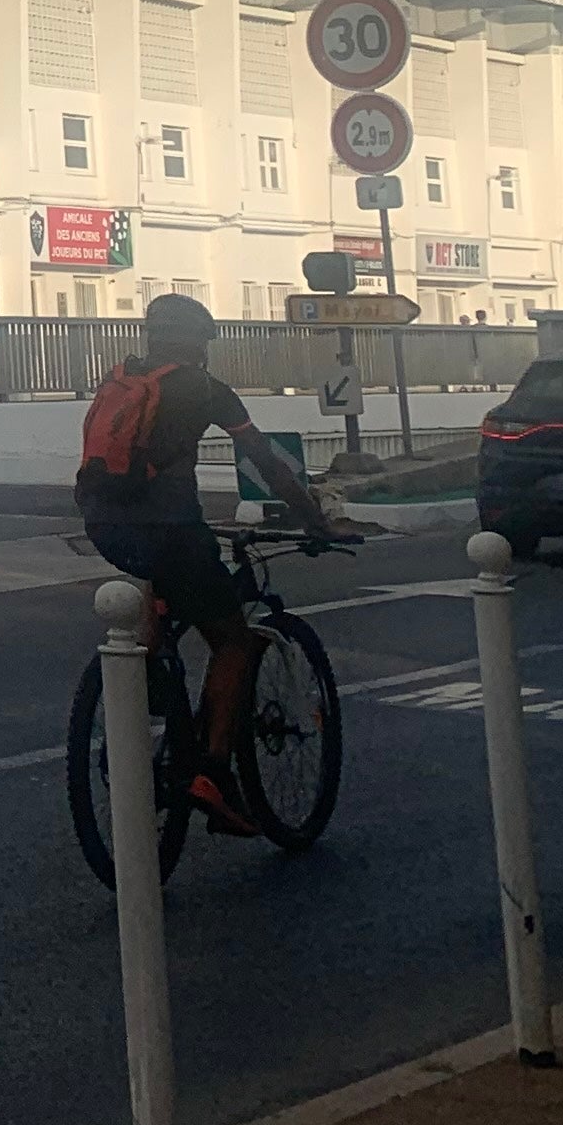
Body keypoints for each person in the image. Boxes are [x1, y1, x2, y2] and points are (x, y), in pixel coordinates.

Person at [76, 293, 341, 837]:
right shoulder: (206, 390)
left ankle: (151, 672)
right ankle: (214, 773)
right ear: (200, 341)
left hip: (104, 525)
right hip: (172, 532)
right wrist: (312, 518)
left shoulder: (121, 377)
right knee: (234, 641)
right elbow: (264, 460)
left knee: (164, 585)